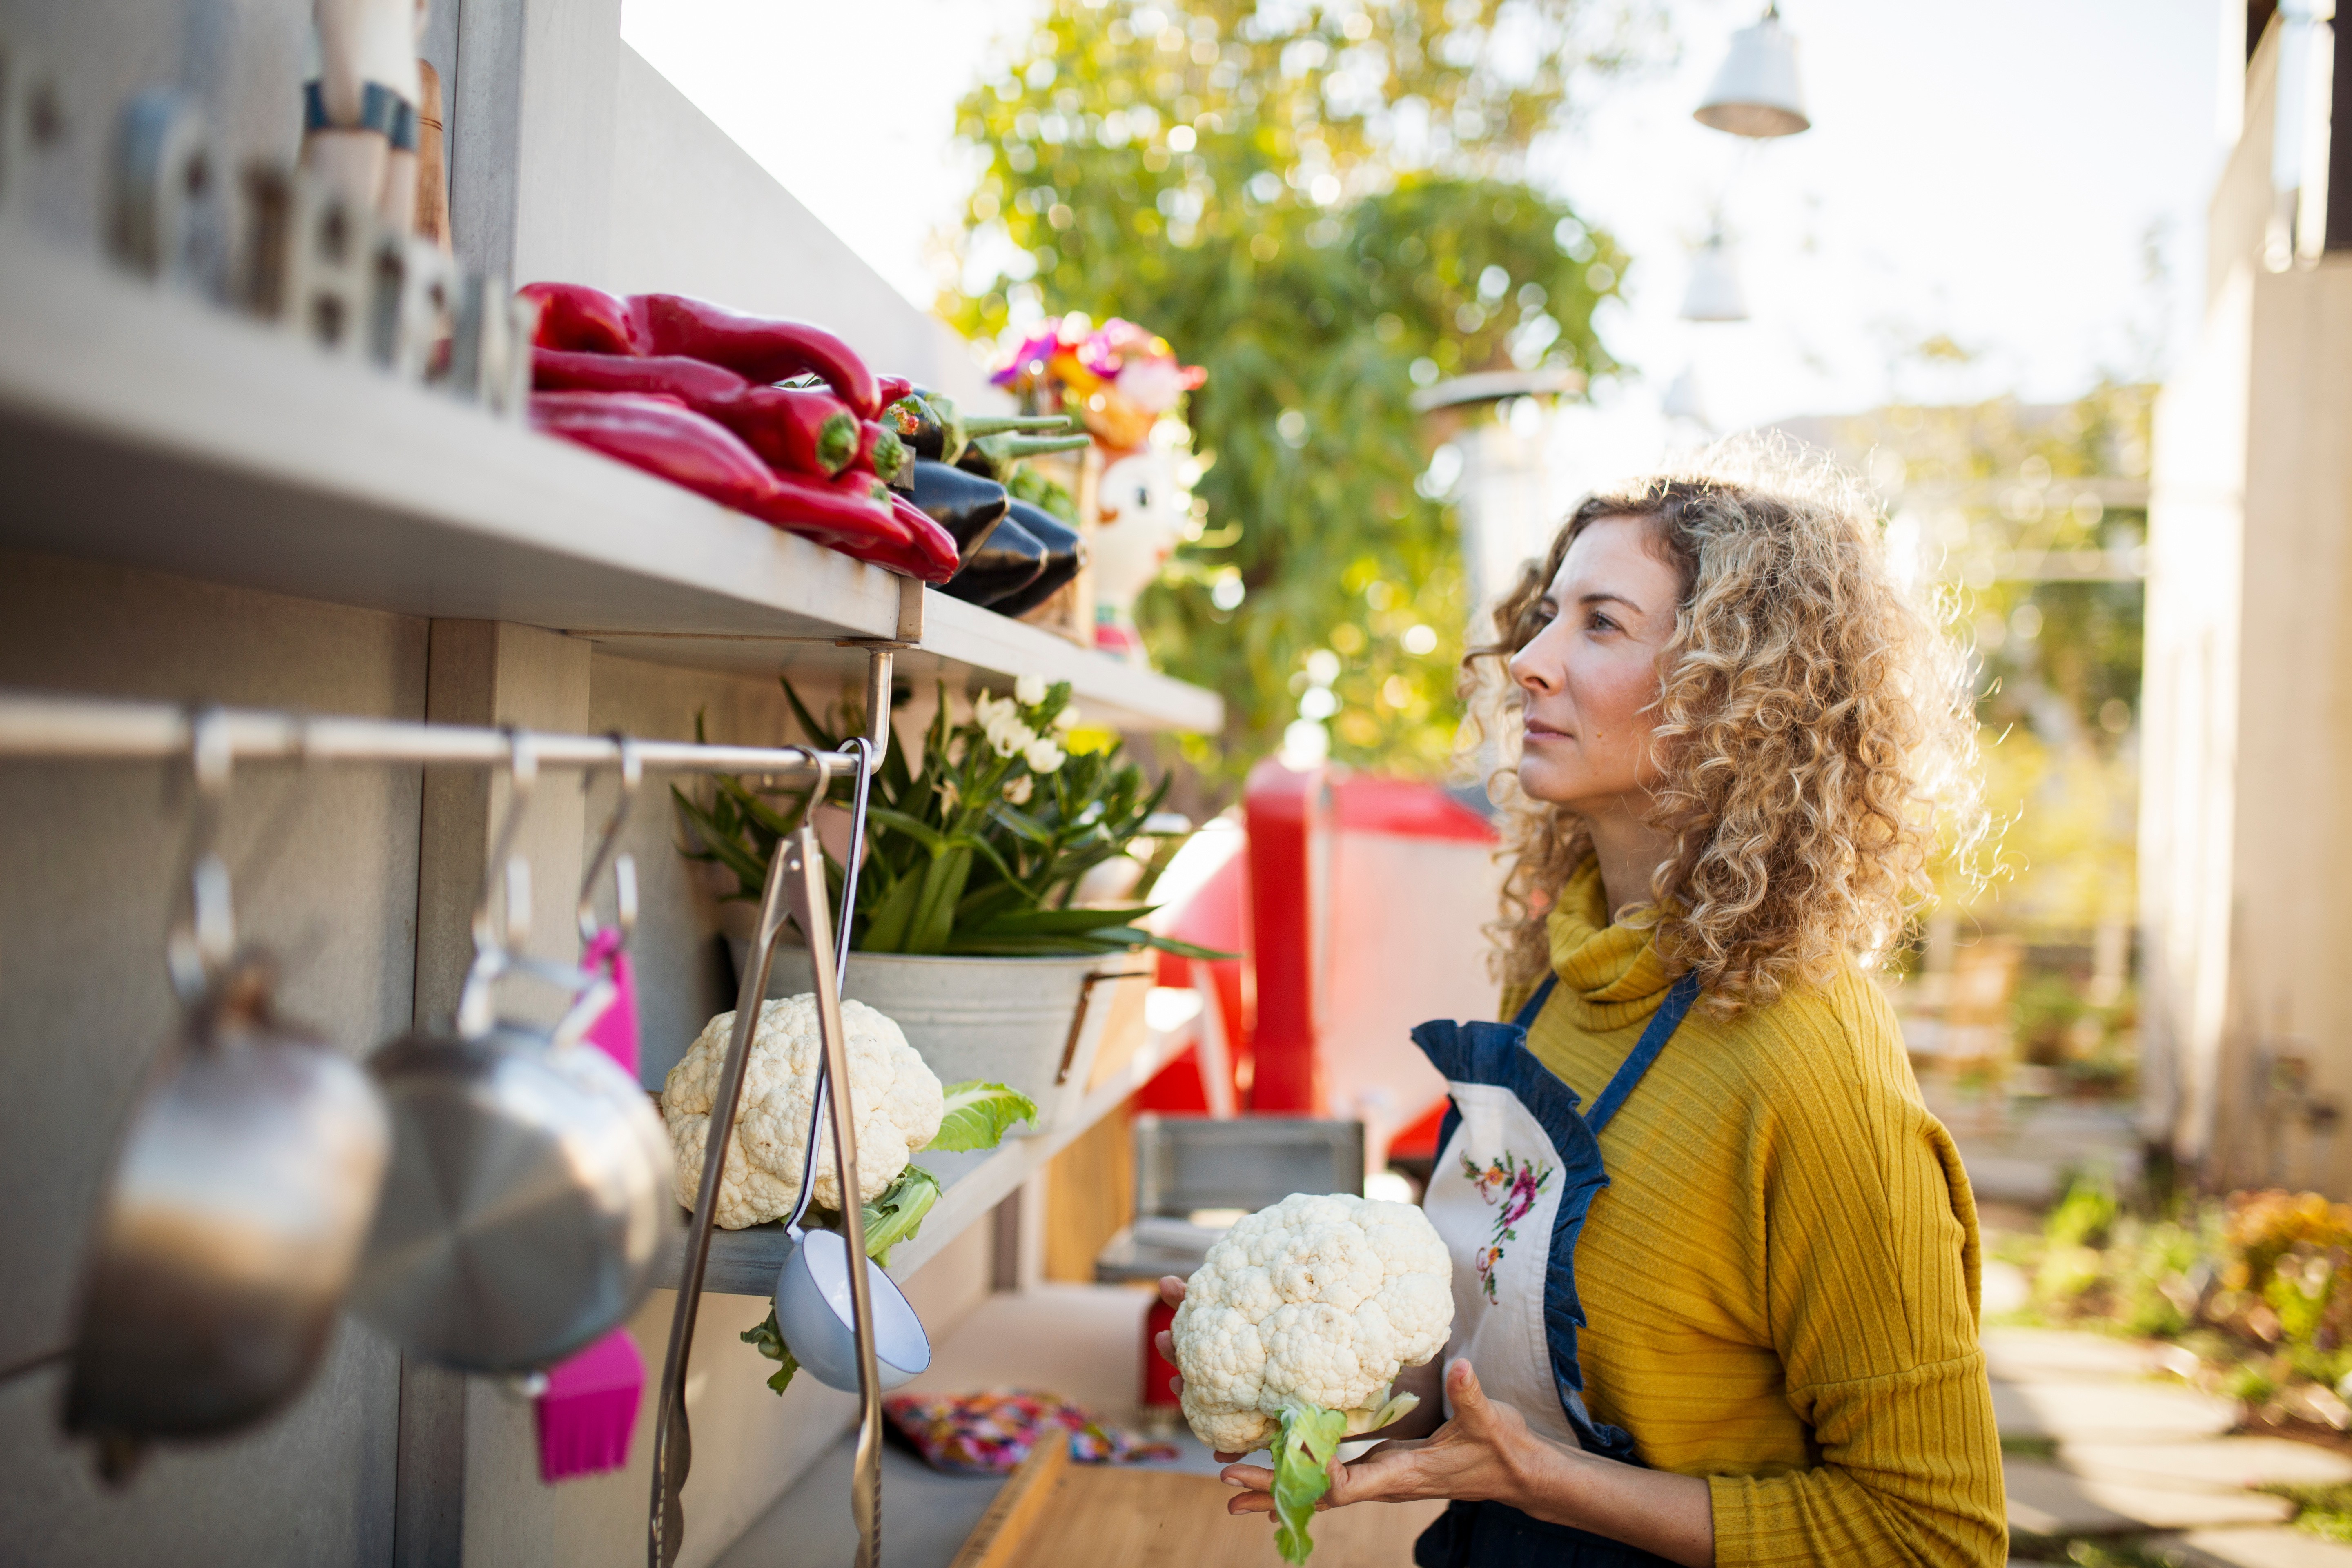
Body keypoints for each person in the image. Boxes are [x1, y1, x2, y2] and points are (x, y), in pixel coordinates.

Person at [1159, 445, 2005, 1566]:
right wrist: (1311, 1361)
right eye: (1546, 614)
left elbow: (1935, 1534)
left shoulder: (1813, 1069)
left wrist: (1547, 1486)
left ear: (1742, 693)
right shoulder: (1561, 970)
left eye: (1601, 624)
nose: (1530, 662)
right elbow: (1514, 1353)